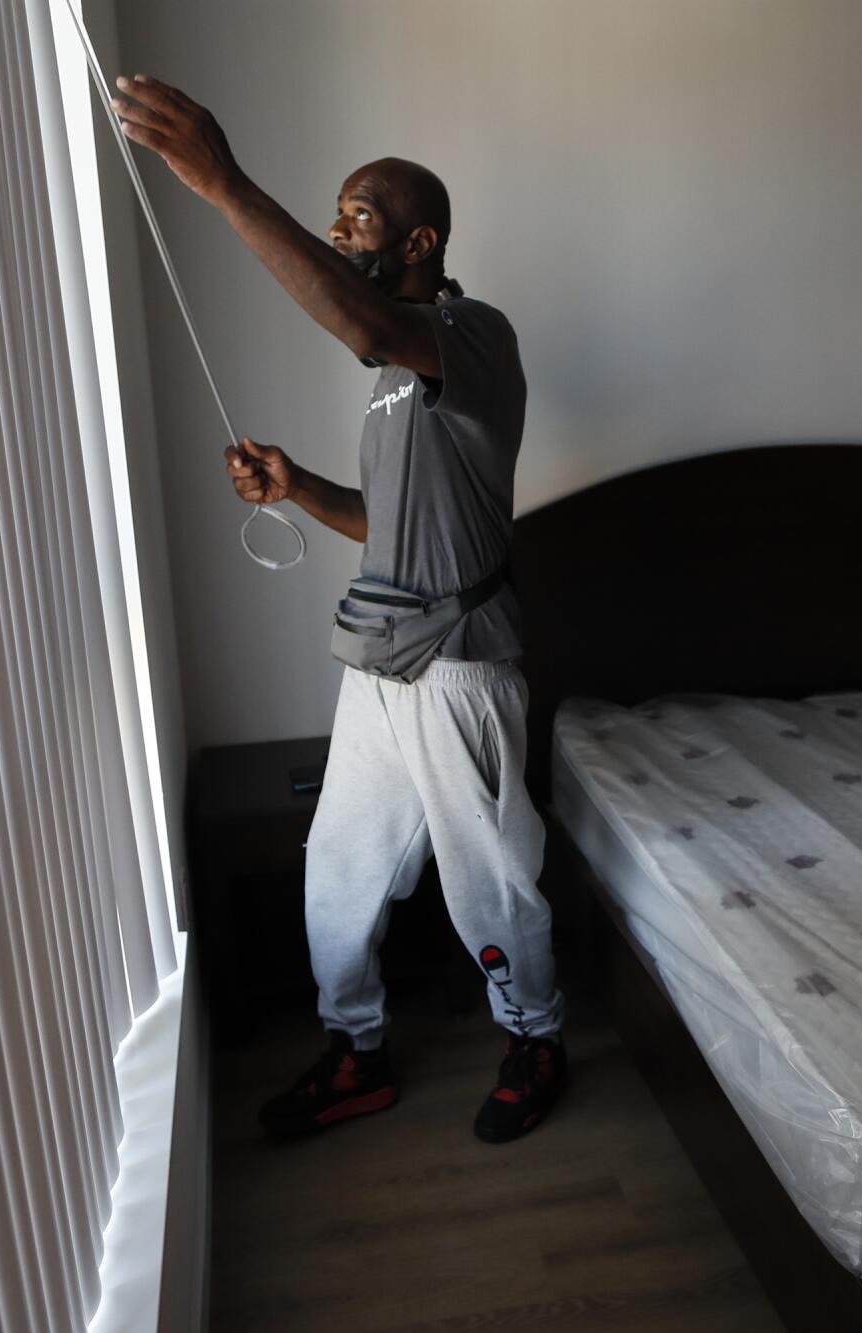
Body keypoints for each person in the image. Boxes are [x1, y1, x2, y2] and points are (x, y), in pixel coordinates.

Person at [111, 74, 569, 1143]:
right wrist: (297, 487)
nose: (335, 228)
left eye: (356, 217)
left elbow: (361, 323)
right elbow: (396, 519)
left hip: (458, 664)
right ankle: (354, 1050)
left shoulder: (468, 335)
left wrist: (223, 183)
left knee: (488, 886)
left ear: (420, 242)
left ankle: (534, 1034)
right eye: (336, 212)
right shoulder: (393, 376)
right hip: (377, 656)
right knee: (338, 872)